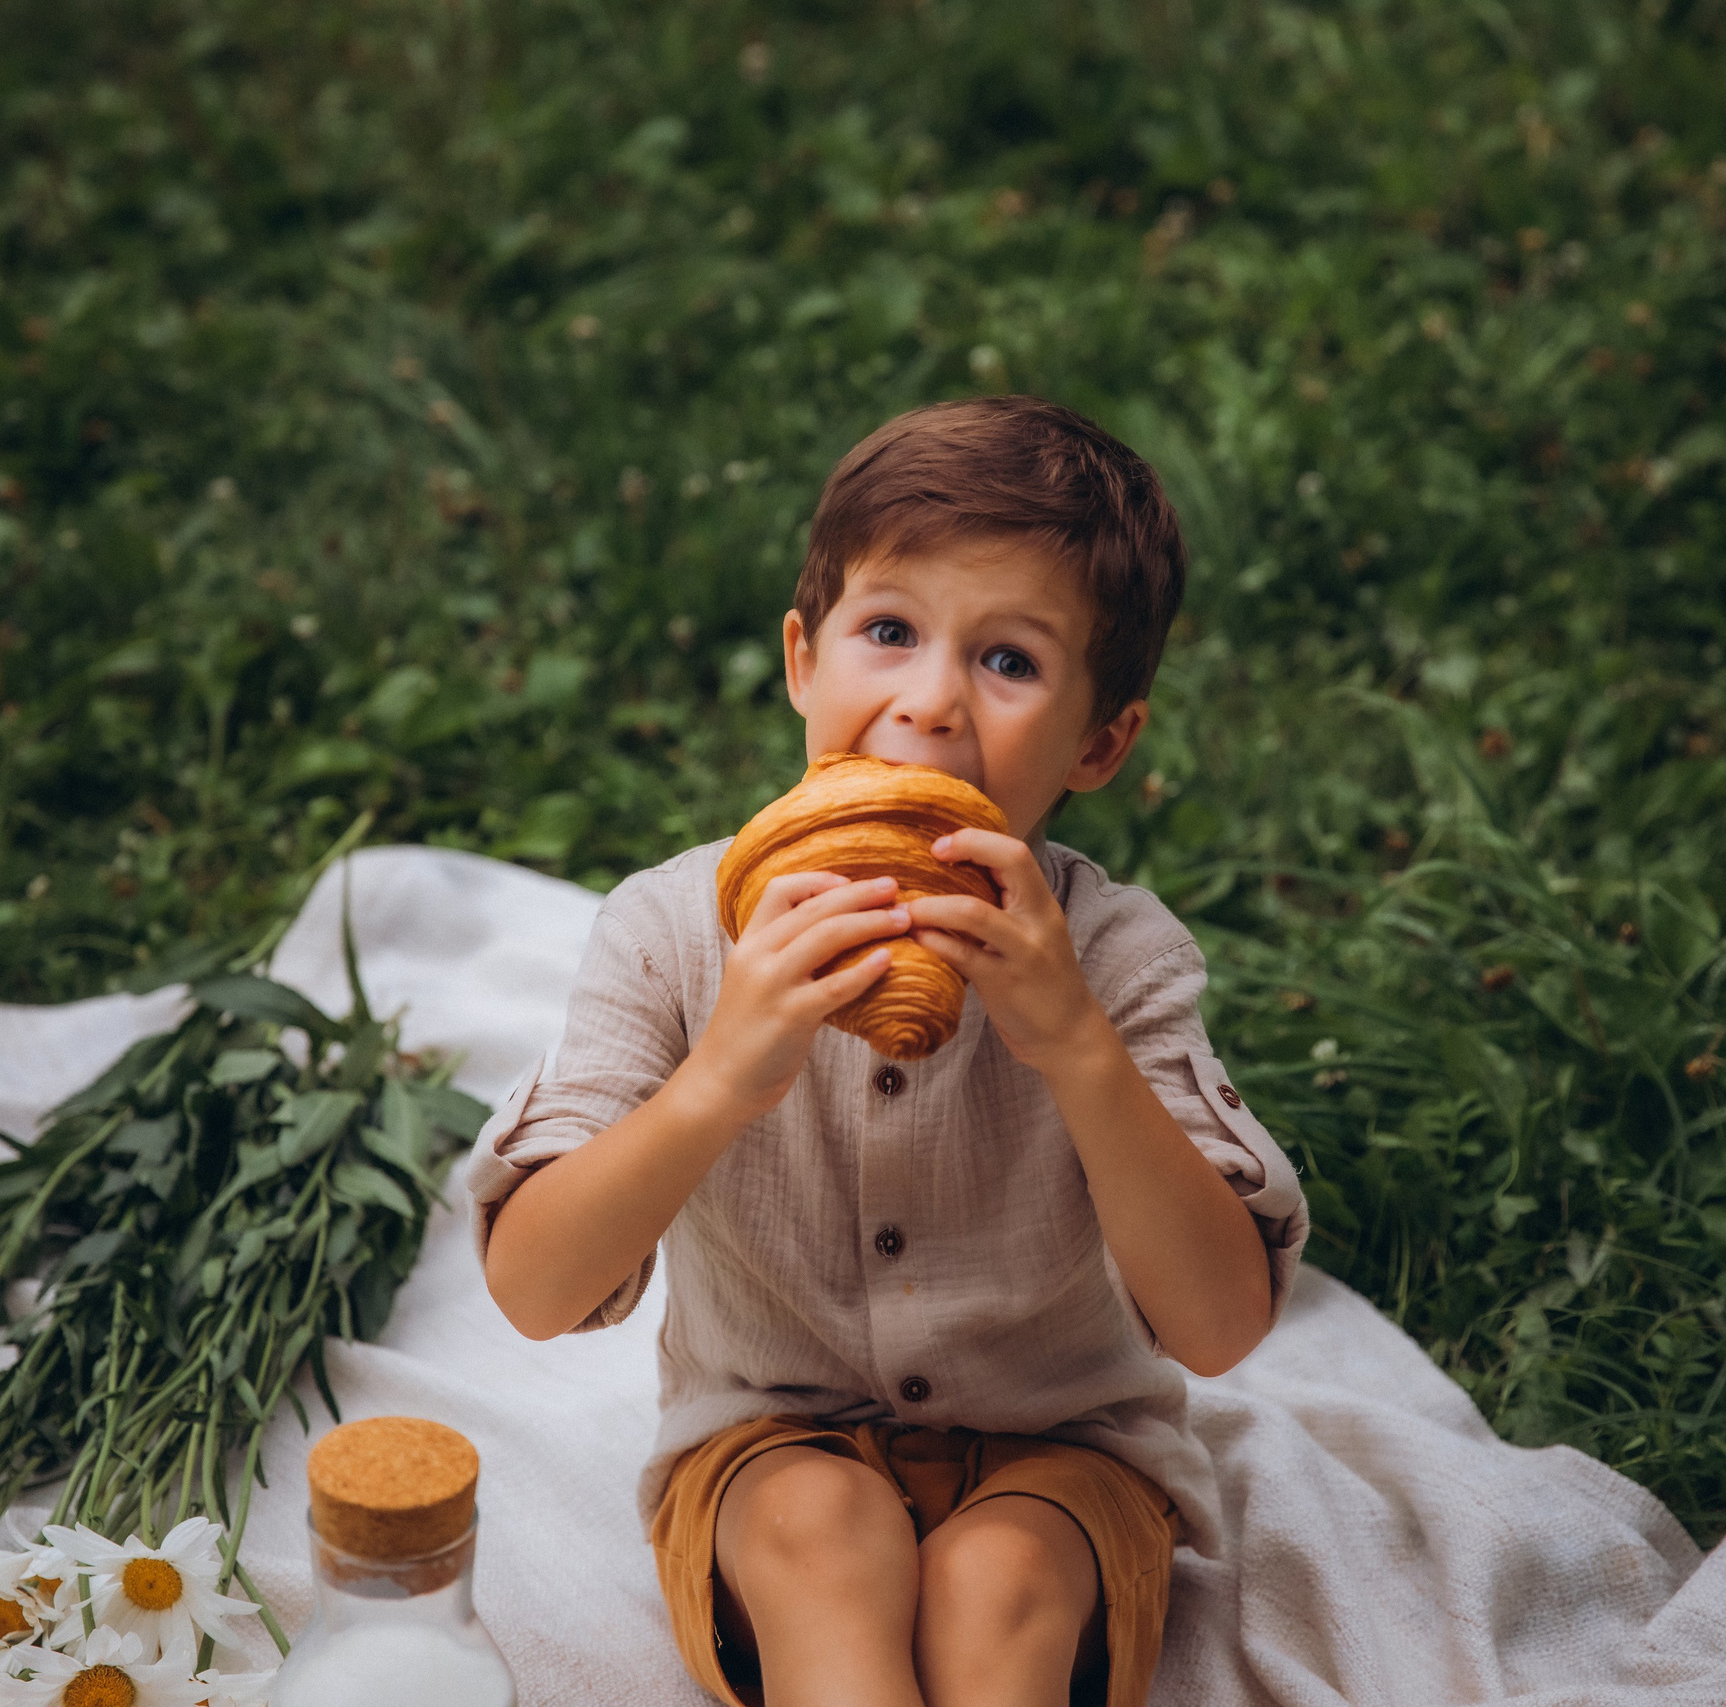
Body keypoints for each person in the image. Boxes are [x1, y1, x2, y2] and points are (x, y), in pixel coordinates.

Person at [471, 396, 1308, 1707]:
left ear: (1103, 739)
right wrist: (719, 1082)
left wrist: (1076, 1049)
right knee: (825, 1543)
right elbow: (531, 1288)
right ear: (804, 660)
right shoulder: (671, 934)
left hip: (1069, 1455)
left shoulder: (1116, 959)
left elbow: (1214, 1327)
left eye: (1010, 661)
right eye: (890, 632)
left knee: (997, 1588)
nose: (928, 703)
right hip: (765, 1449)